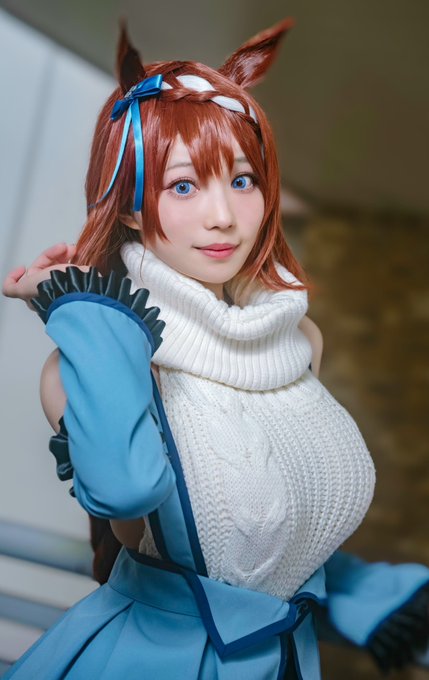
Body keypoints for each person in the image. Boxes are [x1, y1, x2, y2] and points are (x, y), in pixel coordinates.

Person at [2, 18, 429, 680]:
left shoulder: (297, 339)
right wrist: (81, 306)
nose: (223, 215)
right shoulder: (82, 362)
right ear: (131, 209)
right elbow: (126, 489)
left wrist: (367, 599)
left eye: (241, 180)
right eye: (183, 185)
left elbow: (275, 531)